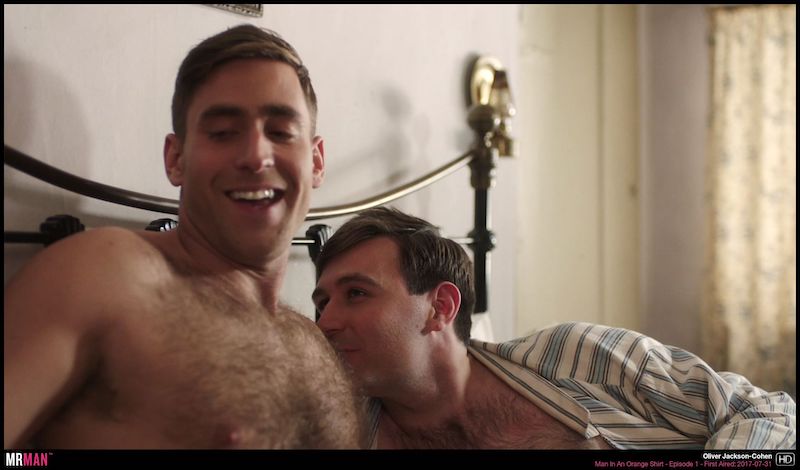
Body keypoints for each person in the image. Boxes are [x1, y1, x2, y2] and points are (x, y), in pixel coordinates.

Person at [4, 24, 364, 449]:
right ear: (176, 159)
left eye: (281, 132)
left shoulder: (315, 346)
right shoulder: (104, 276)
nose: (255, 156)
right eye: (222, 132)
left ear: (316, 161)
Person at [312, 207, 796, 449]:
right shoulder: (341, 435)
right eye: (322, 302)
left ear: (440, 307)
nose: (326, 322)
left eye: (357, 294)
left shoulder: (579, 358)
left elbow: (766, 410)